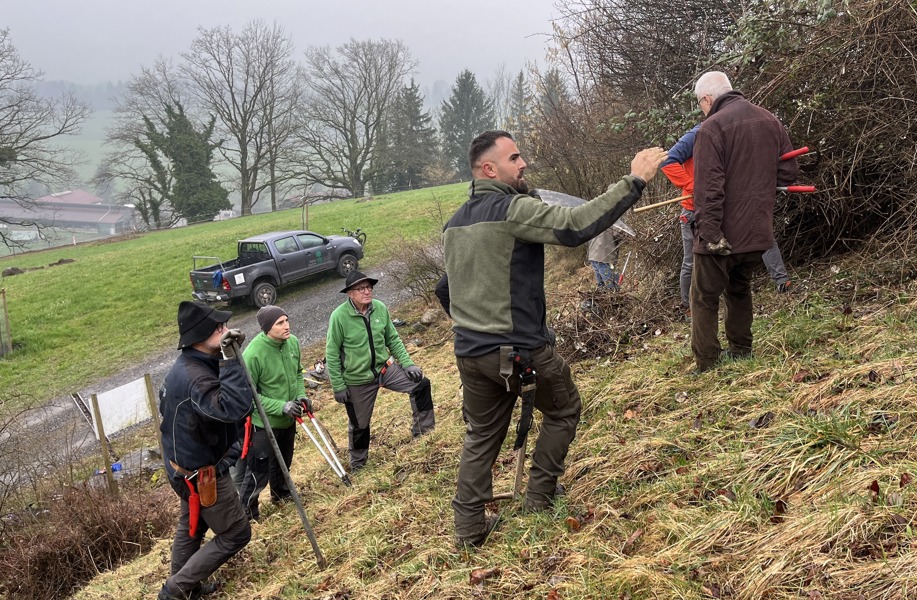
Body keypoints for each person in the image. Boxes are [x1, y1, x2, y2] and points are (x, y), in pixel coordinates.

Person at [439, 130, 666, 548]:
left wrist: (475, 323)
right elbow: (576, 225)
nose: (523, 163)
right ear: (489, 169)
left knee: (481, 437)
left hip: (469, 354)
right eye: (514, 157)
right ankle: (539, 497)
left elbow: (444, 290)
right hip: (518, 349)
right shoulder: (512, 209)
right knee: (564, 410)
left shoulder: (454, 225)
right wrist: (633, 181)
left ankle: (468, 530)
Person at [690, 71, 798, 372]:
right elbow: (788, 174)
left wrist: (710, 234)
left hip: (722, 233)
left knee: (703, 297)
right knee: (739, 289)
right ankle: (741, 349)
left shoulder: (710, 129)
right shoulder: (769, 119)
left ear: (707, 99)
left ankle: (706, 362)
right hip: (756, 232)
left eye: (700, 104)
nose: (702, 108)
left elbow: (708, 189)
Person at [157, 301, 252, 600]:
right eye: (218, 327)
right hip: (202, 473)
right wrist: (230, 361)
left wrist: (228, 359)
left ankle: (187, 588)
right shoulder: (196, 377)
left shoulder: (191, 365)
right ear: (200, 334)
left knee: (193, 525)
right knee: (237, 533)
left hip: (182, 465)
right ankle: (175, 590)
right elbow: (233, 408)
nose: (225, 329)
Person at [662, 124, 793, 312]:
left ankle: (782, 281)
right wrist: (695, 187)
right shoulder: (697, 134)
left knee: (760, 233)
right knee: (692, 259)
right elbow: (668, 162)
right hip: (695, 209)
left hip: (729, 203)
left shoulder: (734, 132)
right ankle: (687, 306)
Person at [326, 270, 435, 472]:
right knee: (359, 424)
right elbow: (331, 354)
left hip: (385, 369)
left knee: (421, 384)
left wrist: (408, 363)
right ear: (350, 293)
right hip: (357, 379)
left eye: (369, 287)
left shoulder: (380, 308)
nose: (367, 291)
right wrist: (338, 386)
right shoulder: (339, 317)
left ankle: (425, 432)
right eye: (361, 288)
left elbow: (392, 339)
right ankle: (358, 465)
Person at [238, 305, 307, 521]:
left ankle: (282, 496)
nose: (287, 326)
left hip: (289, 418)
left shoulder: (292, 343)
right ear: (267, 328)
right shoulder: (253, 354)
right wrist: (280, 406)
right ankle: (248, 513)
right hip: (264, 424)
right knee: (258, 471)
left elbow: (297, 373)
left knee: (284, 462)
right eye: (280, 323)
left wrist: (301, 396)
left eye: (287, 320)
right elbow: (249, 395)